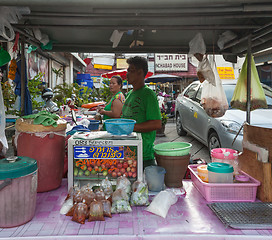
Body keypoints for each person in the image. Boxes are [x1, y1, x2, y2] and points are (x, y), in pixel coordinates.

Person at [122, 56, 162, 169]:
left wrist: (129, 127)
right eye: (127, 70)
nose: (127, 73)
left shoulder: (148, 94)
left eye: (131, 70)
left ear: (140, 73)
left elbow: (156, 124)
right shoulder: (130, 94)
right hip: (127, 152)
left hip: (143, 156)